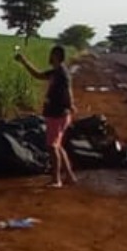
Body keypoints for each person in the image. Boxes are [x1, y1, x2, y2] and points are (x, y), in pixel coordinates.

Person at [16, 46, 78, 187]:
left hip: (58, 114)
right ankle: (69, 176)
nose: (50, 56)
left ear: (57, 55)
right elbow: (38, 75)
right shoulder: (57, 71)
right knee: (58, 146)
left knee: (52, 147)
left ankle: (56, 180)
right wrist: (24, 62)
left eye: (52, 54)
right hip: (57, 114)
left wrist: (70, 105)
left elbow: (68, 90)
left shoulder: (61, 73)